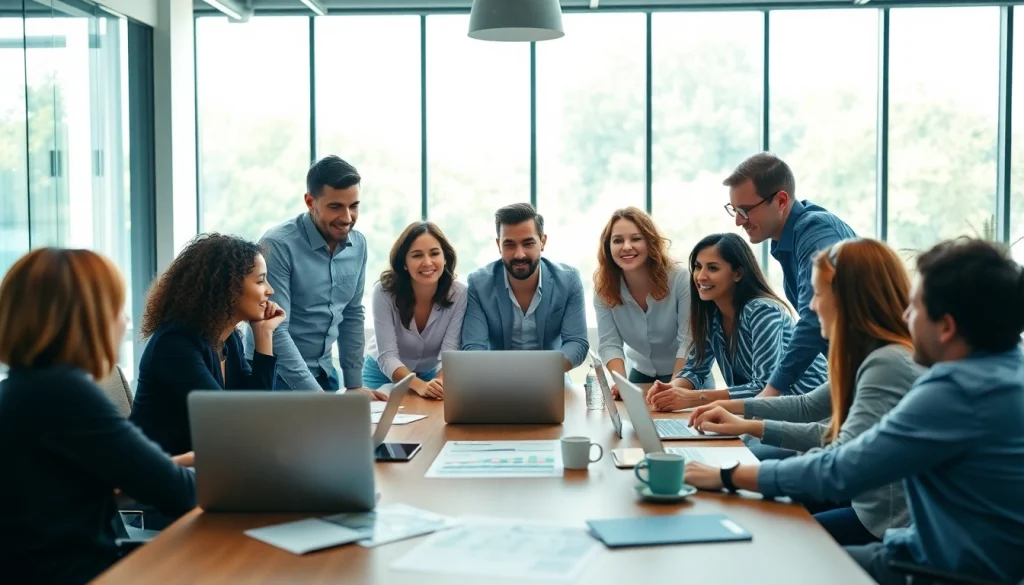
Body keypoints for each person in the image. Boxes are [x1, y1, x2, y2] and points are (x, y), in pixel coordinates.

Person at [684, 238, 1024, 585]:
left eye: (915, 307)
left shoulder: (955, 390)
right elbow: (828, 426)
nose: (906, 316)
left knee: (774, 558)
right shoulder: (1002, 373)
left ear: (947, 326)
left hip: (940, 568)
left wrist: (727, 475)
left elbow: (840, 468)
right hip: (928, 549)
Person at [688, 238, 924, 546]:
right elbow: (808, 408)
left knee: (770, 537)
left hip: (883, 523)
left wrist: (727, 476)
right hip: (862, 504)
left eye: (817, 294)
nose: (811, 307)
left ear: (848, 298)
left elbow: (836, 461)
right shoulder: (869, 353)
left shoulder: (888, 362)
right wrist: (742, 419)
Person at [0, 249, 196, 585]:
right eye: (119, 308)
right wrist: (246, 481)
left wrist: (180, 463)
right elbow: (175, 492)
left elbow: (84, 485)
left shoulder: (22, 388)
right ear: (90, 317)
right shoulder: (65, 392)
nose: (126, 322)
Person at [130, 233, 285, 456]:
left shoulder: (228, 340)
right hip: (162, 473)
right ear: (228, 287)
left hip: (206, 464)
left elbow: (256, 409)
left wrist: (263, 334)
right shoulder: (175, 344)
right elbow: (225, 422)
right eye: (260, 281)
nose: (270, 290)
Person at [249, 155, 384, 399]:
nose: (347, 218)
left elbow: (352, 313)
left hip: (324, 374)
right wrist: (317, 397)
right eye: (335, 207)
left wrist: (354, 385)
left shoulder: (359, 244)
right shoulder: (278, 245)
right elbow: (276, 328)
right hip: (275, 375)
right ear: (310, 201)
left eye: (353, 206)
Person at [645, 233, 828, 411]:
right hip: (764, 414)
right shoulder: (712, 315)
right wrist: (671, 389)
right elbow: (694, 369)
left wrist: (693, 398)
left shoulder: (763, 311)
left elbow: (763, 387)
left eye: (713, 268)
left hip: (809, 412)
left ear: (738, 273)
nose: (700, 276)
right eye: (698, 267)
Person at [724, 152, 856, 397]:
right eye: (735, 211)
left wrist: (771, 390)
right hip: (851, 373)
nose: (739, 222)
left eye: (746, 210)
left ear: (781, 201)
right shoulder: (790, 242)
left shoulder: (815, 230)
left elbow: (814, 318)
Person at [462, 202, 589, 372]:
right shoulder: (478, 284)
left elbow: (576, 342)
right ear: (499, 245)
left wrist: (541, 371)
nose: (519, 254)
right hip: (496, 378)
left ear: (542, 242)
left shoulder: (569, 280)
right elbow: (473, 347)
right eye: (509, 244)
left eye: (528, 243)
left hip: (551, 375)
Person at [364, 222, 468, 399]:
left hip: (429, 375)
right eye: (417, 255)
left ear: (445, 258)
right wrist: (419, 386)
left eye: (435, 253)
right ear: (404, 263)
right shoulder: (384, 292)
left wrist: (439, 384)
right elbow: (387, 356)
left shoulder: (459, 293)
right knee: (379, 424)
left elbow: (450, 353)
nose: (427, 262)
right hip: (381, 373)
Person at [593, 207, 690, 397]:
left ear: (650, 242)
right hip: (640, 376)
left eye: (636, 239)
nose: (626, 246)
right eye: (618, 240)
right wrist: (622, 384)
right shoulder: (603, 288)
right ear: (608, 246)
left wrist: (673, 388)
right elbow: (609, 343)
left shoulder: (680, 279)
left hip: (686, 376)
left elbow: (688, 341)